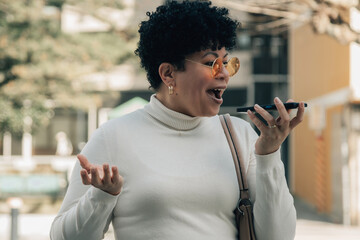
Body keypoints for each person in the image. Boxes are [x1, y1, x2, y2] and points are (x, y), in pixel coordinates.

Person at [50, 1, 305, 240]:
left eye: (227, 63)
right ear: (169, 73)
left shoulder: (240, 135)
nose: (225, 74)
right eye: (212, 63)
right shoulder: (113, 136)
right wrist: (102, 196)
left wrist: (269, 155)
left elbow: (278, 236)